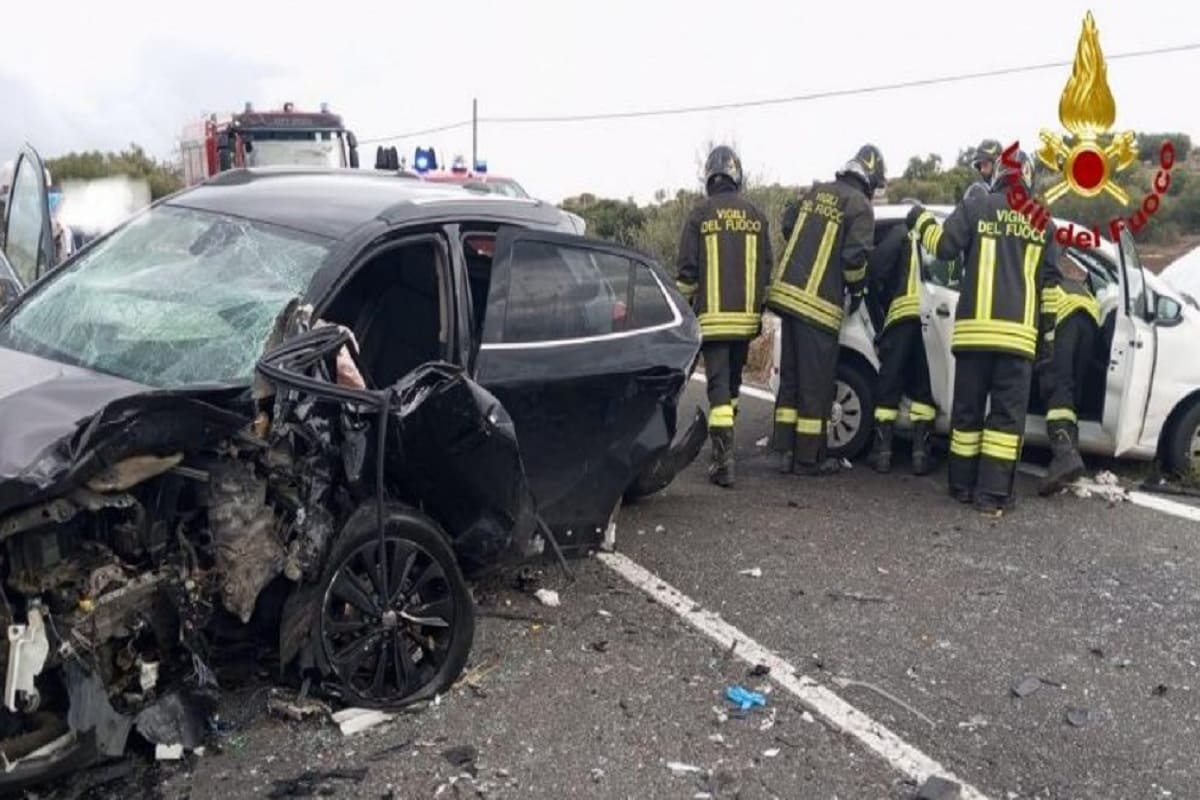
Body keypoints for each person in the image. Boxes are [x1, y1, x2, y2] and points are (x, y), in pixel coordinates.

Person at [906, 148, 1061, 514]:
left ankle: (960, 485)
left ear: (999, 175)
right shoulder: (1042, 222)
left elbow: (943, 248)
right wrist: (1048, 338)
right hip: (1017, 339)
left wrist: (920, 218)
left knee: (968, 415)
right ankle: (992, 494)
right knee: (1005, 422)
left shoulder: (977, 207)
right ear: (1026, 175)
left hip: (973, 336)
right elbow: (1050, 288)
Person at [767, 144, 884, 476]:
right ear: (870, 180)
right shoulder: (859, 206)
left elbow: (789, 224)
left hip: (788, 297)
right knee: (815, 386)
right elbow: (854, 259)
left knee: (791, 379)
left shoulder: (816, 192)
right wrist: (858, 290)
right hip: (819, 306)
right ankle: (808, 460)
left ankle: (785, 452)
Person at [675, 145, 773, 487]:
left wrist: (684, 311)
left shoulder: (700, 214)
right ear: (737, 175)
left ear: (710, 177)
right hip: (745, 322)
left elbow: (687, 272)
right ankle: (725, 444)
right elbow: (765, 268)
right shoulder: (757, 216)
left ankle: (723, 461)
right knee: (731, 386)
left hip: (713, 322)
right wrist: (757, 309)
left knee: (717, 390)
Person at [866, 220, 937, 474]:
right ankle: (921, 455)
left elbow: (876, 268)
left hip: (902, 315)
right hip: (931, 319)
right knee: (922, 386)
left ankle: (882, 453)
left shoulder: (899, 232)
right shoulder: (931, 235)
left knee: (890, 383)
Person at [1038, 253, 1100, 495]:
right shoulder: (1076, 284)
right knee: (1071, 388)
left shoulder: (1042, 278)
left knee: (1056, 385)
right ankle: (1070, 453)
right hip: (1089, 317)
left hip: (1062, 319)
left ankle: (1064, 454)